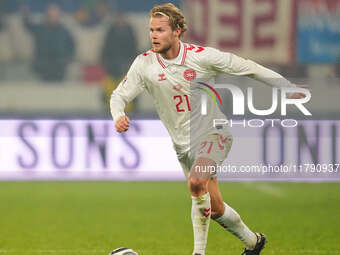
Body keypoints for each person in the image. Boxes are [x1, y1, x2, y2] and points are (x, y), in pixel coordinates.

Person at [110, 3, 307, 255]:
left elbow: (247, 67)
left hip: (214, 134)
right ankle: (253, 242)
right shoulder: (144, 64)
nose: (154, 35)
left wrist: (286, 87)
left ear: (177, 31)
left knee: (196, 182)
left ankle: (198, 253)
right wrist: (119, 115)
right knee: (215, 208)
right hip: (183, 145)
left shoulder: (201, 57)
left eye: (160, 30)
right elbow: (118, 95)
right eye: (151, 30)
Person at [22, 4, 75, 81]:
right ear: (47, 15)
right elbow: (28, 25)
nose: (53, 16)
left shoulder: (64, 31)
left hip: (59, 68)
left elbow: (72, 46)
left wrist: (68, 59)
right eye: (51, 14)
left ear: (59, 15)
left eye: (55, 13)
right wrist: (25, 15)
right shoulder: (40, 28)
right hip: (43, 67)